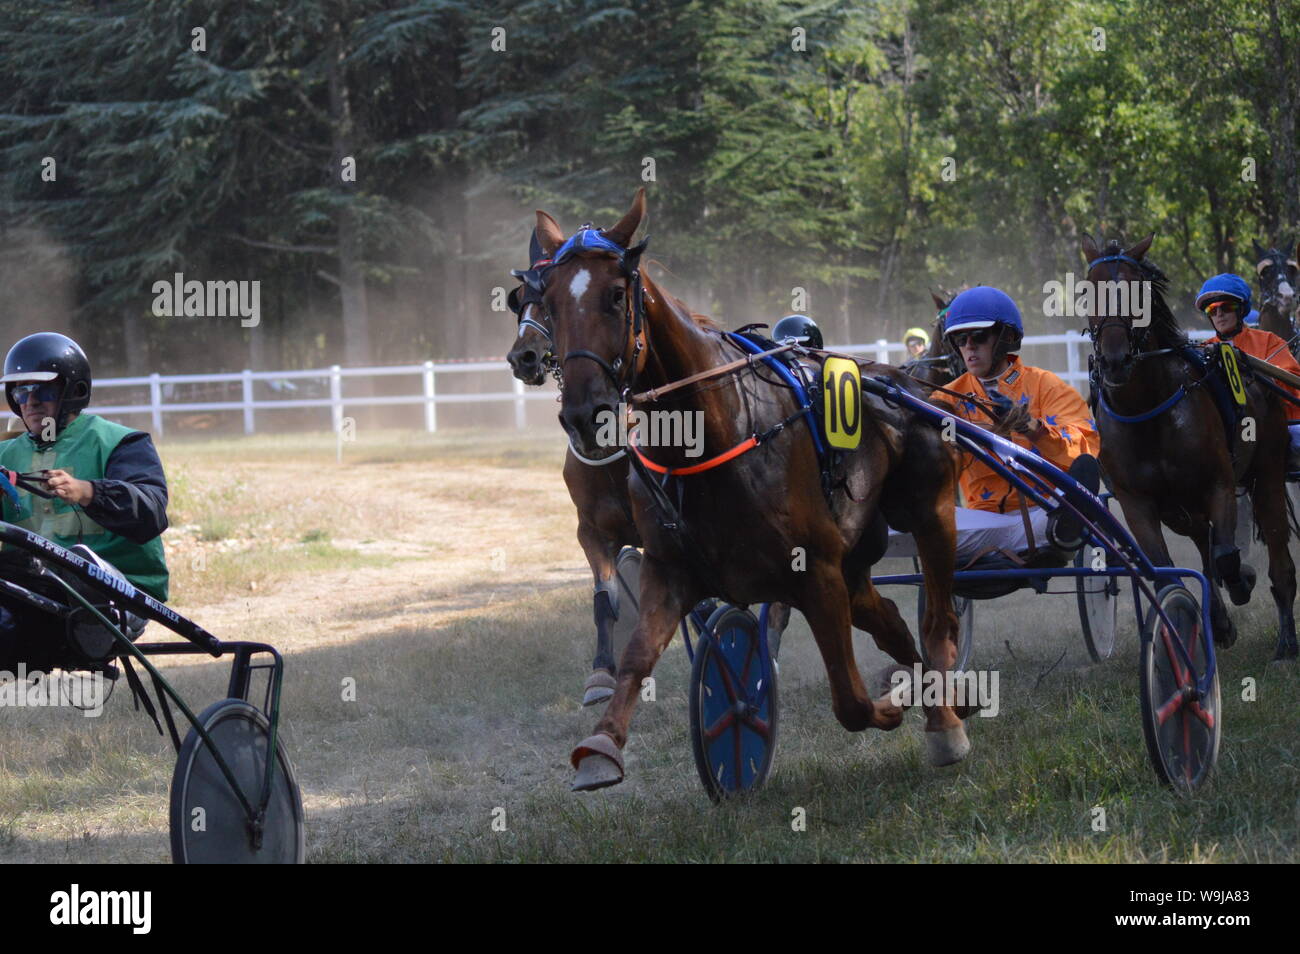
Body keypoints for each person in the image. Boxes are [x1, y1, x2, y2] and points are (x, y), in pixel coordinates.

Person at [0, 332, 170, 673]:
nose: (30, 401)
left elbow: (151, 511)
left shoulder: (120, 443)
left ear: (74, 391)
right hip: (33, 593)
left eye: (43, 390)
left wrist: (88, 492)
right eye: (21, 391)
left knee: (79, 563)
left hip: (121, 593)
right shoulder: (6, 455)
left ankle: (92, 622)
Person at [924, 286, 1099, 565]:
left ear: (1006, 337)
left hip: (1044, 511)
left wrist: (1031, 427)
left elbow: (1083, 449)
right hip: (985, 521)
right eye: (960, 338)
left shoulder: (1047, 386)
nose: (969, 346)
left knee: (1070, 510)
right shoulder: (944, 399)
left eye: (979, 336)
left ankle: (1069, 525)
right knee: (928, 529)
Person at [1196, 274, 1300, 468]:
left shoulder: (1269, 341)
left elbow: (1291, 377)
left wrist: (1260, 384)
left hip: (1278, 424)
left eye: (1226, 307)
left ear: (1241, 310)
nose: (1219, 314)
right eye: (1212, 310)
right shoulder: (1202, 350)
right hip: (1226, 428)